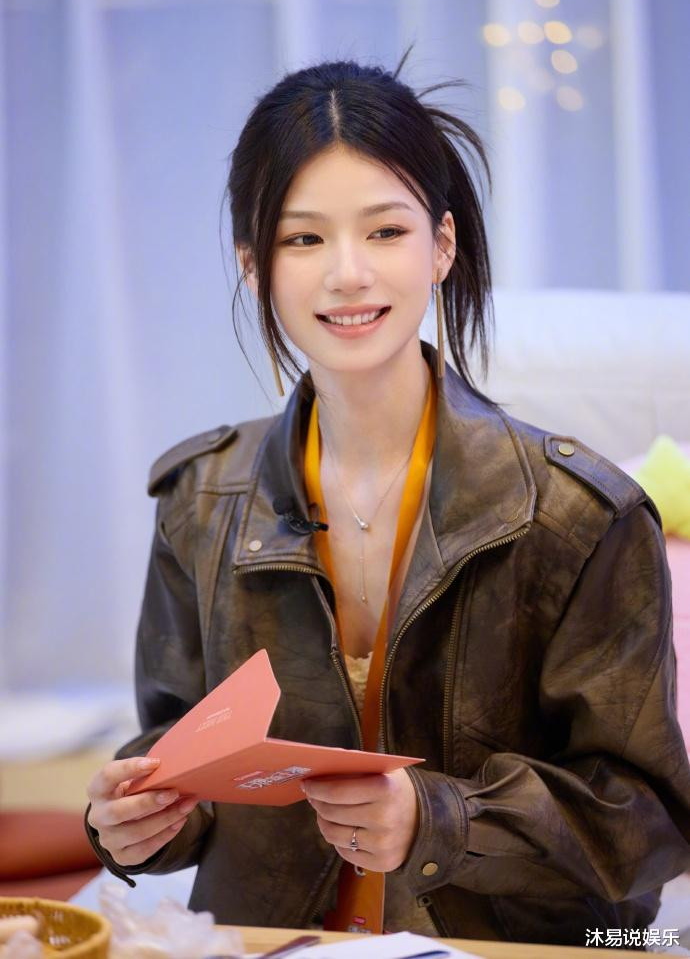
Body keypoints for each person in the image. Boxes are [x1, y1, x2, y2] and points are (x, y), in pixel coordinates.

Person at [84, 50, 690, 945]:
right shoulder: (198, 500)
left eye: (384, 231)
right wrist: (137, 815)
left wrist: (439, 820)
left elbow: (647, 824)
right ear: (253, 263)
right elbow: (181, 750)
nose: (348, 273)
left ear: (441, 245)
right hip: (270, 942)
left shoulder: (581, 517)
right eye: (303, 239)